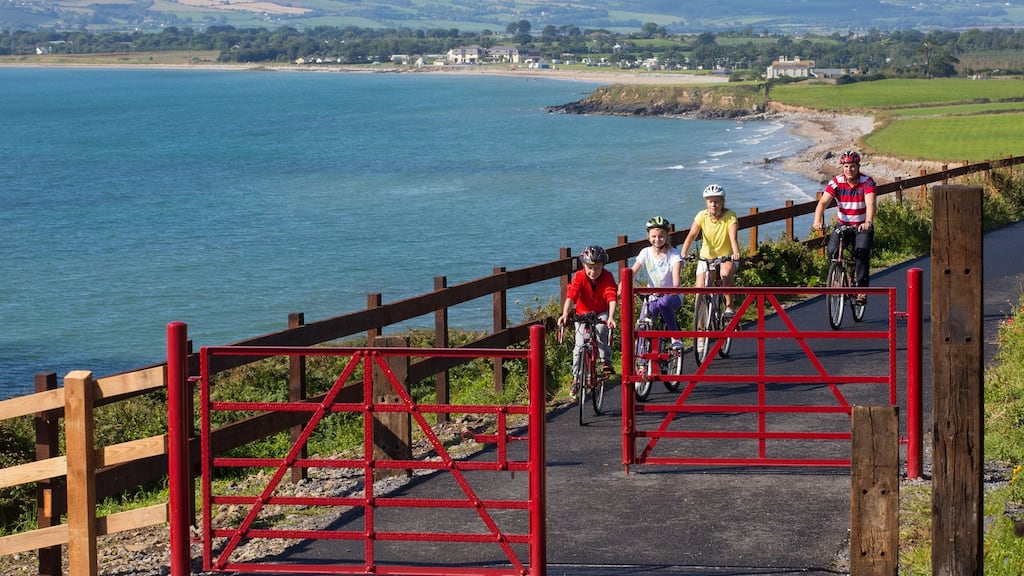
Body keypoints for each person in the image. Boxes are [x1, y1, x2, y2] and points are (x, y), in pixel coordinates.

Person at [812, 150, 877, 305]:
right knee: (832, 251)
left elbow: (870, 203)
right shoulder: (836, 182)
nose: (849, 169)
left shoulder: (867, 182)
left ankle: (862, 291)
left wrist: (868, 221)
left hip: (861, 226)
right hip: (843, 225)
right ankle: (837, 280)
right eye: (846, 166)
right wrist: (817, 221)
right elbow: (823, 203)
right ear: (842, 167)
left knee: (861, 254)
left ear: (858, 166)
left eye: (852, 166)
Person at [557, 244, 618, 399]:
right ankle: (576, 379)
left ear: (603, 266)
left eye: (597, 268)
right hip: (582, 314)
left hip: (601, 312)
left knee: (601, 330)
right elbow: (572, 296)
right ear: (583, 265)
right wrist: (565, 314)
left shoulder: (608, 277)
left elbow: (611, 297)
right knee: (578, 347)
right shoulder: (579, 276)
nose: (593, 272)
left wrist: (611, 317)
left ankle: (605, 362)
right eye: (589, 268)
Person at [679, 184, 742, 316]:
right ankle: (701, 328)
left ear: (722, 202)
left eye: (717, 201)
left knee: (725, 274)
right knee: (700, 289)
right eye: (711, 201)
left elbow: (732, 237)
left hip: (726, 256)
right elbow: (691, 235)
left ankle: (729, 306)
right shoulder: (701, 216)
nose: (714, 204)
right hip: (706, 257)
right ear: (706, 203)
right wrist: (683, 252)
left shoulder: (730, 216)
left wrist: (736, 253)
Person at [624, 216, 684, 348]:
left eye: (661, 236)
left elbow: (676, 277)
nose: (657, 239)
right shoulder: (645, 253)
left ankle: (676, 337)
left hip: (672, 296)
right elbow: (634, 271)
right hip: (652, 296)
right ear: (648, 236)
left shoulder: (674, 255)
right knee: (643, 321)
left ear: (667, 236)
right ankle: (641, 357)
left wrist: (674, 288)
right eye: (654, 236)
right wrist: (623, 285)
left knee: (664, 303)